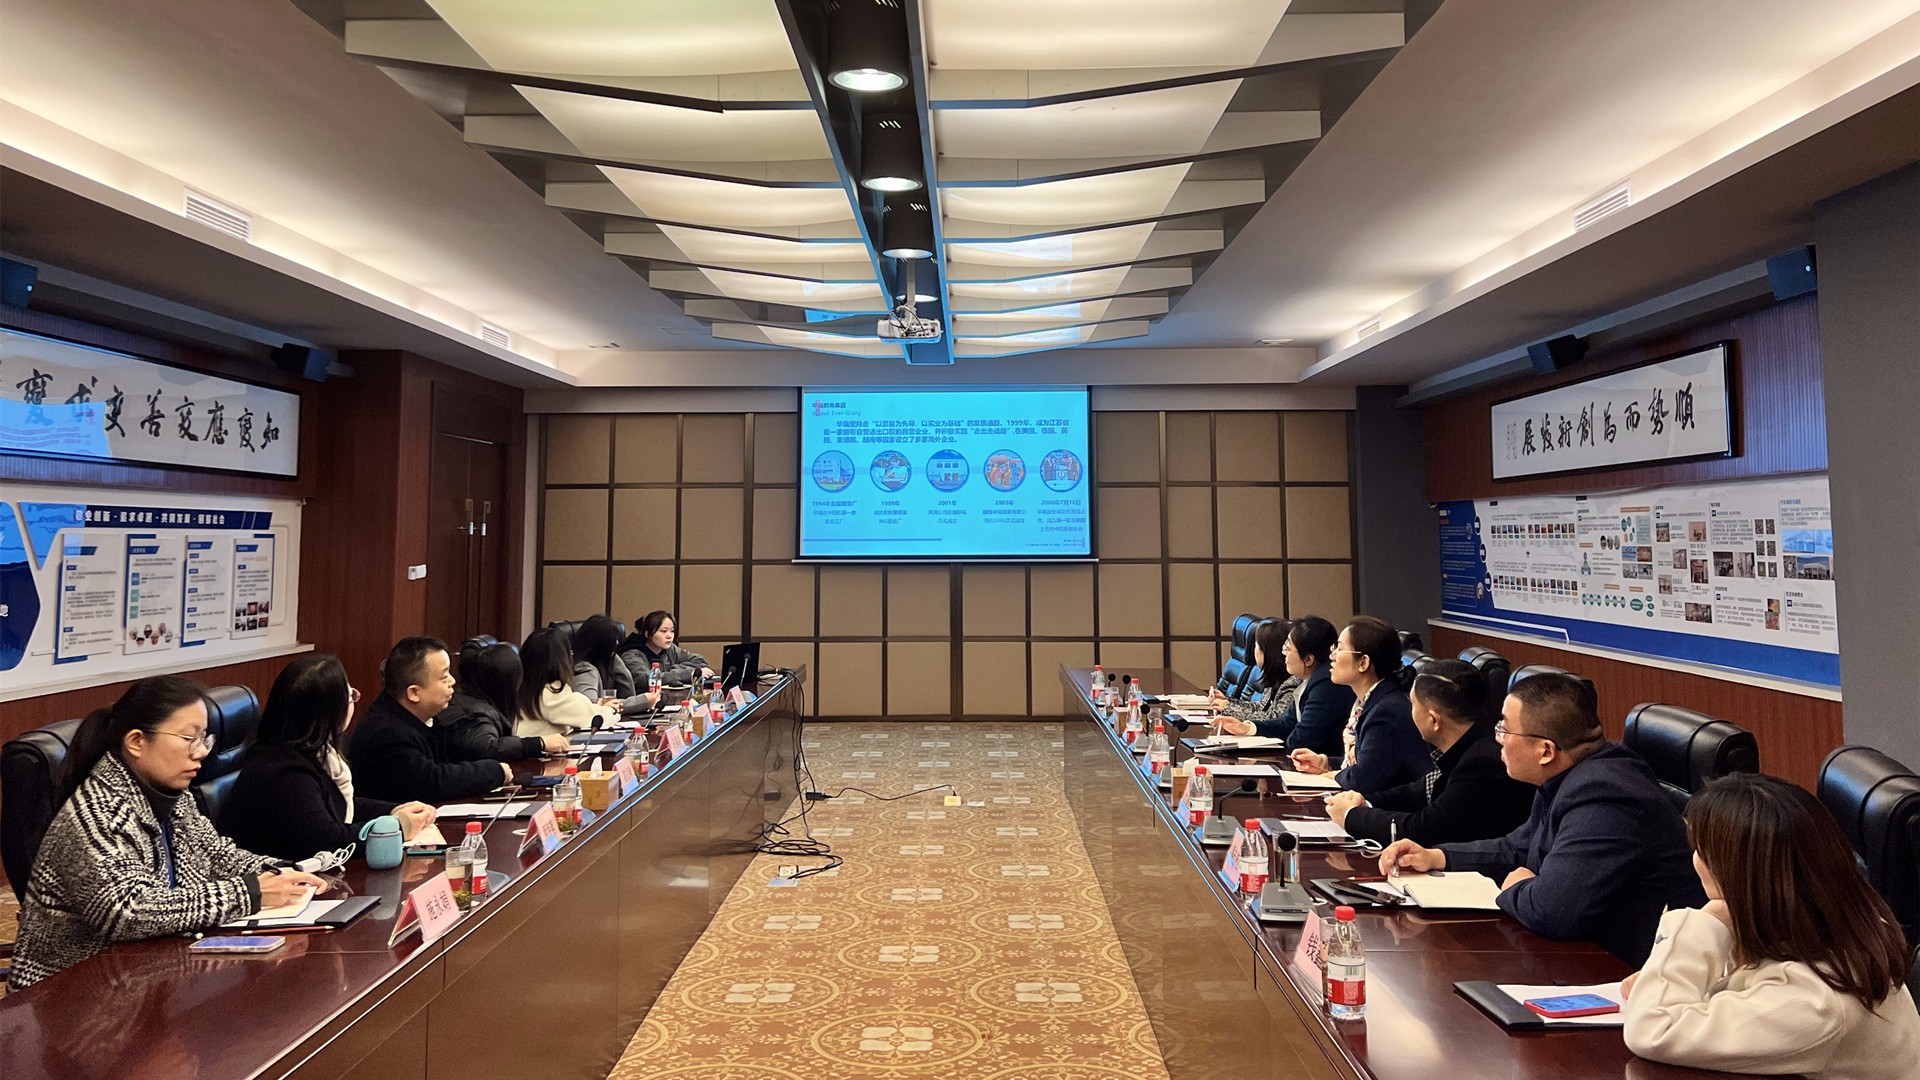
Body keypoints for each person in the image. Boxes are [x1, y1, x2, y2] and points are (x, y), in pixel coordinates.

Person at [9, 676, 329, 990]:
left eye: (204, 738)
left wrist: (284, 871)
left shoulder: (172, 795)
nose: (201, 752)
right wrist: (249, 893)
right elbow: (129, 912)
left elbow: (217, 855)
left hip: (144, 977)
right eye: (189, 738)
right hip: (68, 994)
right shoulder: (96, 813)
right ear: (136, 742)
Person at [1377, 673, 1706, 965]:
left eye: (1505, 728)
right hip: (1585, 952)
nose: (1497, 738)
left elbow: (1554, 911)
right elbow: (1516, 848)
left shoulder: (1605, 796)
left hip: (1627, 971)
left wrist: (1516, 887)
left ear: (1545, 751)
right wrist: (1436, 857)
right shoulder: (1568, 777)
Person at [1618, 773, 1920, 1077]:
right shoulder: (1829, 924)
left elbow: (1652, 1028)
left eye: (1701, 850)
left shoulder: (1815, 1003)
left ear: (1733, 873)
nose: (1695, 860)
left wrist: (1708, 921)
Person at [219, 655, 437, 861]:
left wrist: (393, 811)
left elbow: (336, 804)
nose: (354, 700)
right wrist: (396, 828)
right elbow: (325, 841)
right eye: (350, 697)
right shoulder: (283, 771)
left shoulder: (317, 750)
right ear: (329, 712)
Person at [1325, 659, 1534, 846]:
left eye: (1413, 705)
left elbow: (1424, 830)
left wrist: (1352, 817)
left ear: (1433, 720)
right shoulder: (1469, 739)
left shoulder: (1482, 763)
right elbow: (1418, 792)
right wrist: (1366, 802)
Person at [347, 636, 512, 803]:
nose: (452, 681)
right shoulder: (386, 733)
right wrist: (494, 771)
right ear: (414, 693)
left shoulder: (423, 717)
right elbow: (432, 782)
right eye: (444, 677)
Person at [1288, 616, 1429, 797]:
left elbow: (1362, 779)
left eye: (1339, 648)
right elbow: (1366, 762)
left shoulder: (1387, 711)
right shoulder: (1367, 702)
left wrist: (1330, 775)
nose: (1332, 656)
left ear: (1363, 663)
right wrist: (1325, 762)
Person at [1225, 615, 1350, 755]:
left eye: (1288, 648)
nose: (1283, 653)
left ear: (1308, 659)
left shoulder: (1325, 686)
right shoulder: (1308, 678)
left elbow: (1301, 741)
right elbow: (1287, 723)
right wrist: (1248, 728)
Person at [440, 641, 568, 762]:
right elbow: (489, 748)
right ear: (509, 683)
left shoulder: (469, 700)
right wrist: (539, 743)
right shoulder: (474, 715)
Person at [514, 626, 615, 739]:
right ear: (560, 659)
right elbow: (591, 718)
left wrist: (597, 707)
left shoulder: (523, 687)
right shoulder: (552, 693)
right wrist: (611, 710)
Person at [1207, 619, 1302, 736]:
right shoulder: (1275, 677)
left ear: (1269, 652)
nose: (1253, 651)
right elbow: (1259, 707)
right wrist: (1227, 701)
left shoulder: (1291, 683)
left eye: (1257, 646)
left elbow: (1273, 718)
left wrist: (1228, 708)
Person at [569, 614, 657, 714]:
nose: (617, 642)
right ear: (601, 644)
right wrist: (643, 701)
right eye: (614, 640)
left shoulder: (601, 664)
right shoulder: (583, 670)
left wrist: (612, 656)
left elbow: (627, 691)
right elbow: (591, 706)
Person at [616, 610, 712, 688]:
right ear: (648, 634)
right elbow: (645, 680)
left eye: (672, 631)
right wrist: (687, 673)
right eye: (664, 631)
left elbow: (700, 661)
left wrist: (673, 669)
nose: (669, 636)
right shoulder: (631, 654)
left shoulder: (670, 649)